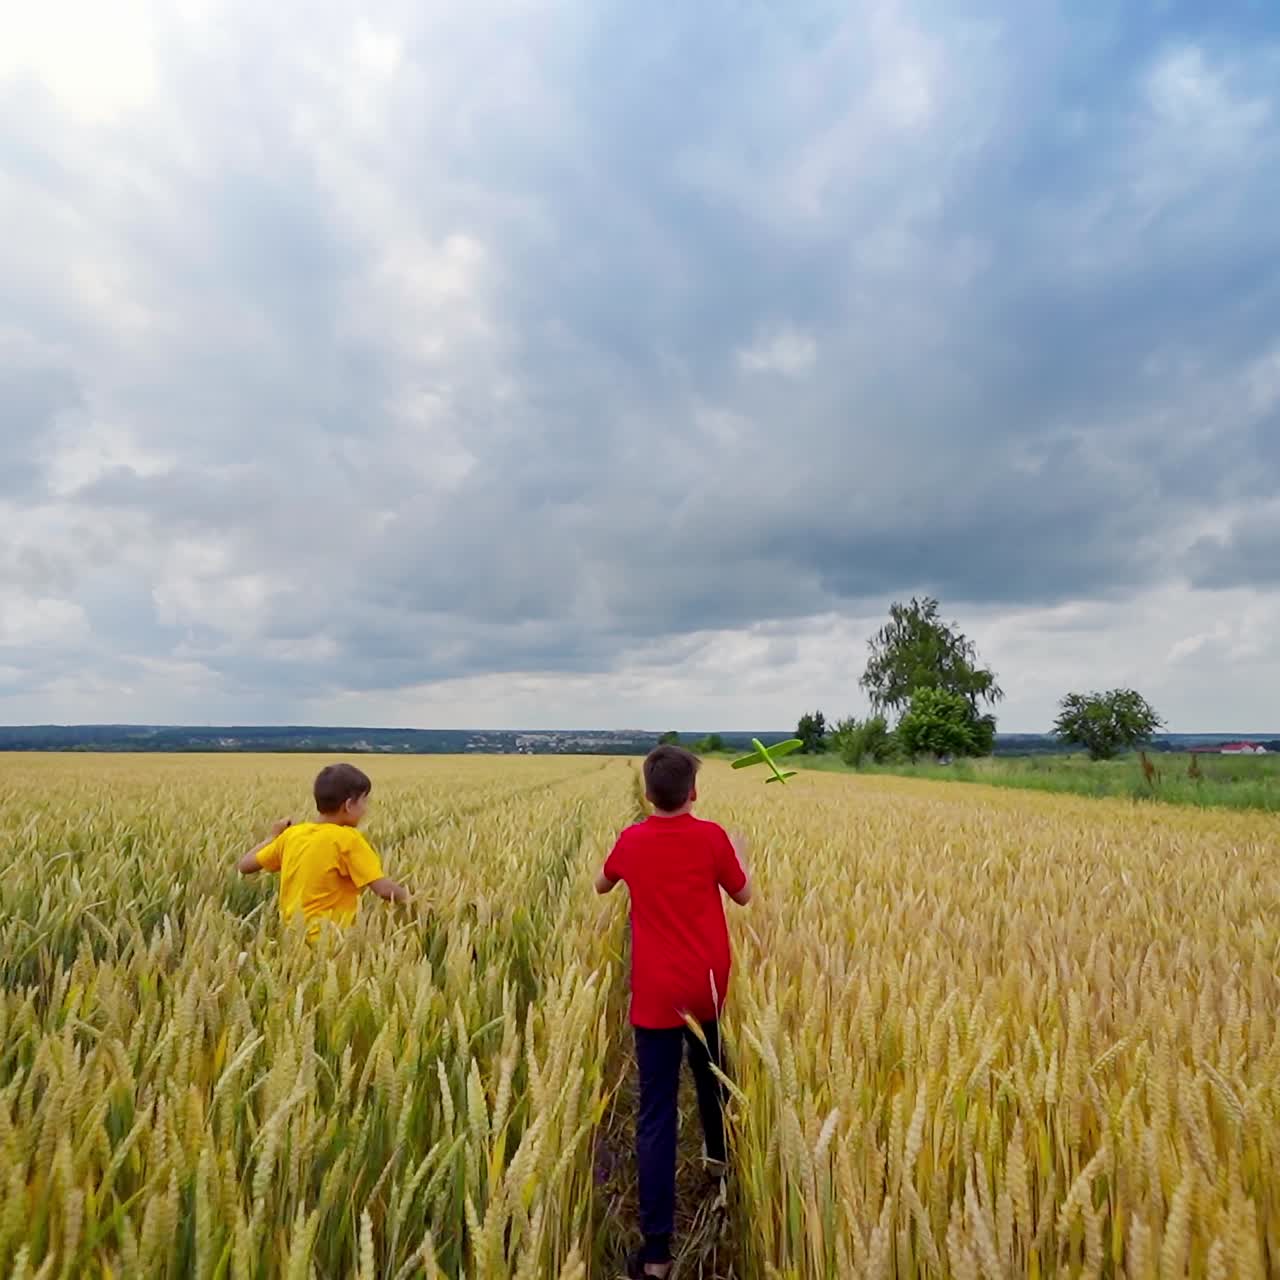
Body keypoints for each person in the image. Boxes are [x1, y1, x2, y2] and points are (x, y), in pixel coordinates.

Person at [594, 744, 752, 1279]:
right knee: (712, 1077)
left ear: (646, 794)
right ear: (694, 792)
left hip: (656, 993)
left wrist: (623, 868)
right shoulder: (712, 838)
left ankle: (657, 1253)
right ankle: (720, 1168)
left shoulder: (632, 840)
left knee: (656, 1113)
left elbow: (601, 883)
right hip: (707, 986)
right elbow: (744, 894)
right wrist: (742, 855)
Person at [237, 762, 407, 939]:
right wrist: (416, 901)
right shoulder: (348, 839)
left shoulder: (293, 835)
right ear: (348, 805)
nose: (366, 808)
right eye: (365, 801)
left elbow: (244, 866)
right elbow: (384, 889)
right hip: (332, 939)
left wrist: (272, 838)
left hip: (292, 936)